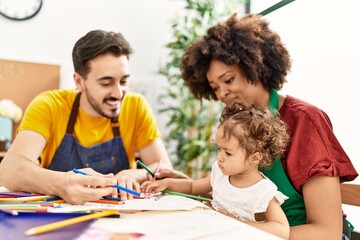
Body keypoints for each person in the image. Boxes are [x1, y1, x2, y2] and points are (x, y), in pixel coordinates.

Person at [173, 13, 359, 240]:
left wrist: (239, 230)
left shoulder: (305, 121)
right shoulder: (240, 123)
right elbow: (238, 192)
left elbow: (326, 232)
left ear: (256, 67)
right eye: (214, 87)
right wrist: (180, 182)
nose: (221, 94)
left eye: (228, 80)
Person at [0, 30, 172, 204]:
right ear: (79, 82)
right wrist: (61, 183)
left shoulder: (136, 106)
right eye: (106, 83)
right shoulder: (49, 105)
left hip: (121, 217)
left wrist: (133, 173)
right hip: (61, 218)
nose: (119, 93)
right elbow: (8, 170)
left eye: (123, 81)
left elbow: (164, 167)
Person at [142, 102, 290, 239]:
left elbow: (282, 229)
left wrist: (238, 224)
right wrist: (167, 183)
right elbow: (192, 187)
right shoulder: (220, 173)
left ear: (255, 158)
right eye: (219, 149)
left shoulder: (263, 192)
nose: (220, 158)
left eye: (228, 153)